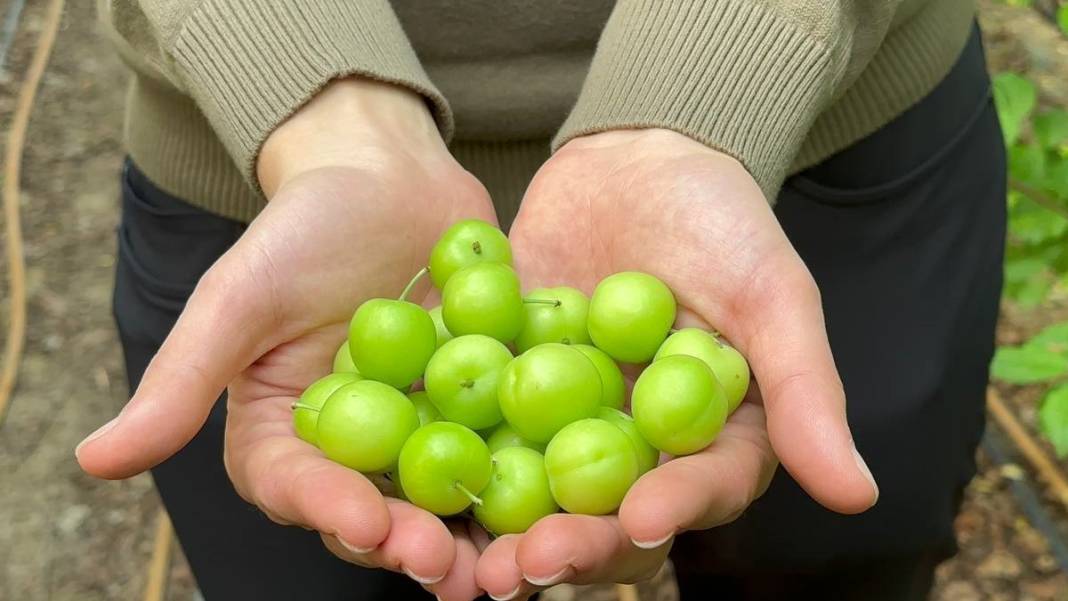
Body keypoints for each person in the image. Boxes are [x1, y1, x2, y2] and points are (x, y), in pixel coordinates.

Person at [79, 1, 1003, 600]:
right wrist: (320, 109)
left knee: (834, 570)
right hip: (270, 173)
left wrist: (704, 84)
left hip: (808, 121)